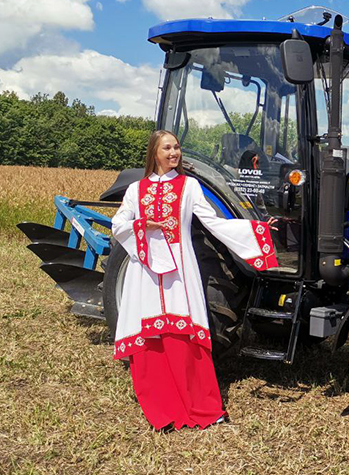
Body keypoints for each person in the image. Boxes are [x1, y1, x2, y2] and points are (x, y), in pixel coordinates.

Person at [111, 130, 279, 430]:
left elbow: (214, 222)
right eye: (167, 148)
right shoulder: (136, 191)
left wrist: (256, 229)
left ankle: (197, 405)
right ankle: (161, 407)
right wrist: (142, 224)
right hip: (146, 273)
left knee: (183, 336)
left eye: (176, 147)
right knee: (152, 338)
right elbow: (118, 224)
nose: (174, 153)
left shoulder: (189, 187)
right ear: (154, 153)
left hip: (180, 271)